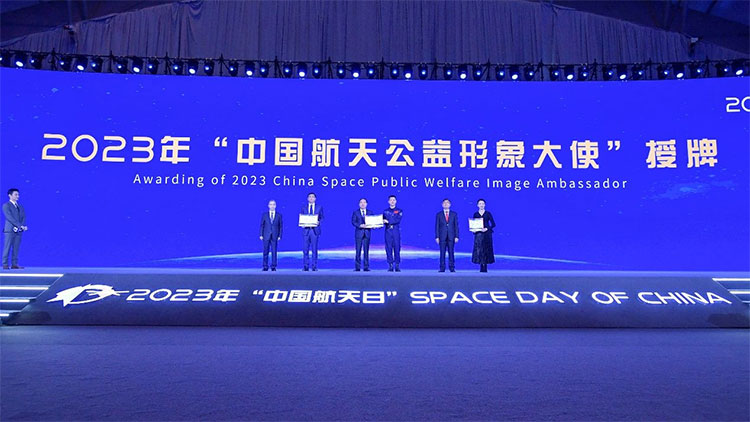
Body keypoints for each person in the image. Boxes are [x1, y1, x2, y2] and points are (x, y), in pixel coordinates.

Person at [3, 188, 27, 270]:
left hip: (19, 230)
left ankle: (14, 264)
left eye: (18, 194)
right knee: (7, 247)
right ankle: (5, 264)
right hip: (9, 230)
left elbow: (23, 217)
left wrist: (22, 225)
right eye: (15, 194)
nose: (17, 196)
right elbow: (9, 217)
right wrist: (19, 225)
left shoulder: (20, 206)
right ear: (10, 195)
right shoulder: (6, 205)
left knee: (16, 248)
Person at [471, 199, 496, 272]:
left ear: (484, 205)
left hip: (487, 234)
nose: (481, 205)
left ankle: (485, 266)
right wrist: (474, 229)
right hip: (479, 234)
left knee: (486, 249)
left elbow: (493, 224)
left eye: (482, 203)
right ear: (477, 205)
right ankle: (481, 265)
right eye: (480, 204)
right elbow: (474, 224)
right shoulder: (475, 214)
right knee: (479, 249)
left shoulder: (488, 213)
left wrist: (487, 229)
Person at [434, 198, 458, 272]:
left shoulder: (454, 214)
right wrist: (437, 236)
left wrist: (456, 236)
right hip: (442, 236)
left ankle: (452, 267)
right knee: (442, 253)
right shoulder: (439, 214)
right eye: (444, 203)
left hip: (451, 236)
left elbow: (456, 226)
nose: (446, 204)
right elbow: (437, 226)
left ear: (450, 204)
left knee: (451, 252)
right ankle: (442, 268)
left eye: (447, 203)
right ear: (442, 205)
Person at [300, 192, 323, 271]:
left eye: (313, 197)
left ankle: (314, 266)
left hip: (314, 231)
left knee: (314, 249)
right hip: (306, 230)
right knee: (305, 249)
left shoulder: (319, 207)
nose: (311, 198)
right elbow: (301, 217)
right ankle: (305, 266)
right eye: (310, 197)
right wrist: (302, 223)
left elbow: (322, 217)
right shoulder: (304, 207)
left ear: (315, 199)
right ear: (307, 198)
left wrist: (319, 222)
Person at [259, 199, 283, 271]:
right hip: (266, 235)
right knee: (265, 251)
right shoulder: (264, 215)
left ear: (275, 206)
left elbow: (280, 226)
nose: (272, 206)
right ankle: (265, 266)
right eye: (271, 204)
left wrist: (280, 235)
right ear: (268, 206)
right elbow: (262, 225)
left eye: (273, 204)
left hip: (275, 236)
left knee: (274, 251)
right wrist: (261, 234)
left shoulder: (279, 215)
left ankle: (273, 266)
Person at [351, 198, 373, 271]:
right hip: (359, 233)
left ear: (366, 204)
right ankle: (357, 267)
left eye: (364, 202)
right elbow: (353, 222)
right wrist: (360, 225)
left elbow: (373, 222)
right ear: (359, 204)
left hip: (367, 233)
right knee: (358, 251)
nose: (363, 204)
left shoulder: (370, 212)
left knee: (366, 251)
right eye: (361, 202)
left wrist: (373, 225)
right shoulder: (355, 212)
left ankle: (366, 267)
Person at [382, 195, 403, 272]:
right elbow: (382, 221)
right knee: (388, 248)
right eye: (391, 200)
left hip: (395, 231)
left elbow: (397, 220)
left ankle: (397, 265)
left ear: (396, 201)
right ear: (388, 201)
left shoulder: (399, 211)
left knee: (397, 247)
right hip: (388, 231)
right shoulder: (385, 211)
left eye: (394, 200)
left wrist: (388, 221)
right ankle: (390, 265)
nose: (392, 201)